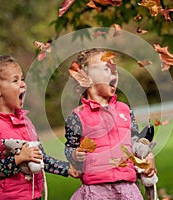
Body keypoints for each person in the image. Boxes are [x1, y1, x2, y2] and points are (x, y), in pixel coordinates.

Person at [0, 55, 80, 200]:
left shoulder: (26, 123)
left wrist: (66, 168)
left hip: (33, 195)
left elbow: (40, 158)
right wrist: (18, 159)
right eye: (15, 80)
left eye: (22, 79)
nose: (23, 84)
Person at [64, 48, 157, 200]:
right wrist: (74, 155)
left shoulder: (125, 110)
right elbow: (70, 147)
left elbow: (135, 142)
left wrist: (148, 155)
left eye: (115, 69)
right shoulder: (77, 116)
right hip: (96, 189)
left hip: (127, 187)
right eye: (107, 68)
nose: (114, 71)